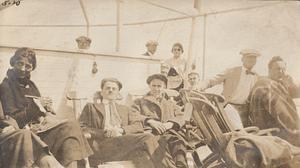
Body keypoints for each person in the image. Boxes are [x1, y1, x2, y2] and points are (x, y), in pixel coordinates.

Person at [0, 48, 93, 168]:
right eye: (20, 64)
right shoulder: (5, 86)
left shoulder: (31, 85)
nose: (23, 69)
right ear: (13, 63)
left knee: (71, 125)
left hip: (40, 129)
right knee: (67, 129)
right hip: (24, 133)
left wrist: (47, 108)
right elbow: (11, 120)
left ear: (32, 68)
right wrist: (36, 107)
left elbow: (40, 111)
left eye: (28, 66)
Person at [79, 78, 173, 168]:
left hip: (123, 146)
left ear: (118, 93)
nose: (111, 90)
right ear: (102, 92)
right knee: (148, 137)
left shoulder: (124, 109)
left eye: (114, 89)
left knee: (143, 155)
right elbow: (81, 127)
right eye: (107, 88)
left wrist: (122, 130)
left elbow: (138, 126)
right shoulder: (91, 107)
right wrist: (105, 132)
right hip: (103, 146)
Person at [132, 74, 188, 168]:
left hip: (168, 134)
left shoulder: (170, 103)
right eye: (153, 86)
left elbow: (181, 116)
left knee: (178, 144)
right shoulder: (140, 102)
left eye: (159, 86)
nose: (156, 89)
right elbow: (133, 115)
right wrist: (149, 121)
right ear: (149, 86)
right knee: (160, 152)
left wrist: (170, 123)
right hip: (150, 135)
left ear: (164, 87)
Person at [199, 49, 261, 127]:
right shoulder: (232, 71)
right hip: (229, 107)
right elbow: (212, 80)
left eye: (254, 58)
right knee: (237, 132)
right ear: (242, 59)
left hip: (245, 110)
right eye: (249, 57)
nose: (251, 60)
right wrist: (199, 87)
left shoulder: (256, 76)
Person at [248, 56, 300, 147]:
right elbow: (283, 114)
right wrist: (296, 129)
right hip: (273, 133)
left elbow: (296, 94)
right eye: (278, 69)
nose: (282, 72)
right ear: (269, 69)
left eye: (284, 69)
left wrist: (291, 84)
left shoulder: (273, 83)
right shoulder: (266, 85)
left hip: (273, 129)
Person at [0, 99, 63, 168]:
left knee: (68, 126)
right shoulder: (6, 89)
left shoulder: (33, 88)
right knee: (25, 135)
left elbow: (4, 119)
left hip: (10, 132)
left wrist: (10, 125)